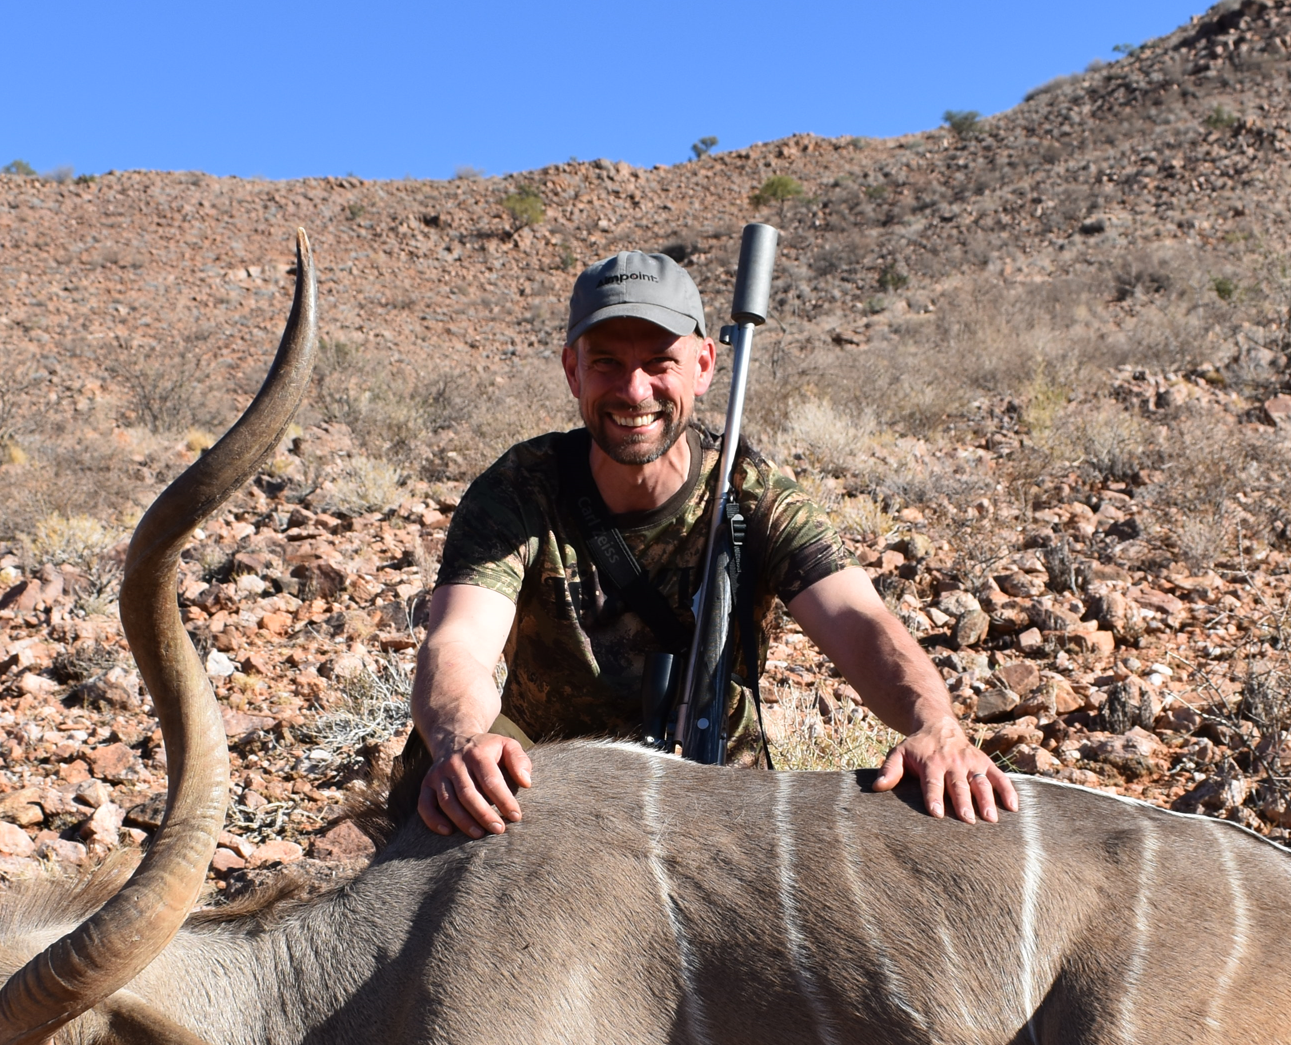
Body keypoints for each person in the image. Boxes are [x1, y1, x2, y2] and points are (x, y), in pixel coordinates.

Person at [403, 248, 1016, 838]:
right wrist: (462, 742)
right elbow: (458, 639)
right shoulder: (517, 490)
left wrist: (934, 723)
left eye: (660, 363)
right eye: (607, 363)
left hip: (714, 790)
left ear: (702, 367)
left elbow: (859, 619)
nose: (634, 391)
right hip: (547, 789)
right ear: (573, 371)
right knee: (436, 784)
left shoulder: (755, 494)